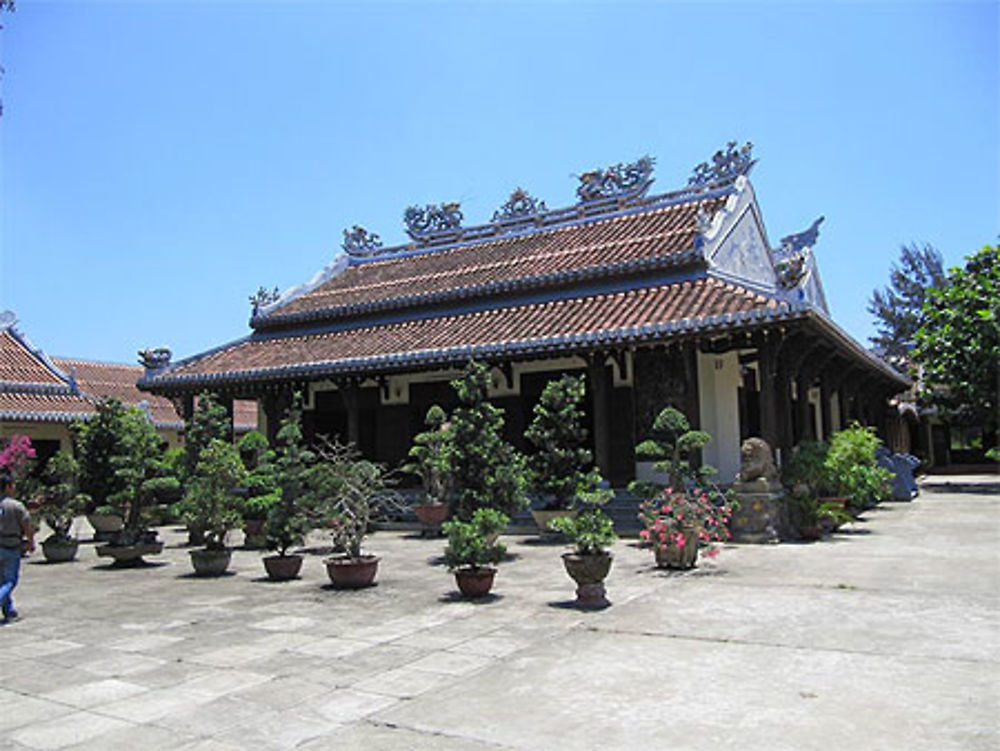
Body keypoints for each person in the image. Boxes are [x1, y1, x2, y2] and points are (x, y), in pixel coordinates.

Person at [0, 471, 35, 623]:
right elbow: (26, 524)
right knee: (10, 581)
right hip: (10, 546)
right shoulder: (16, 506)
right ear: (8, 487)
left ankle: (9, 611)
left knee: (1, 580)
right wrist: (30, 541)